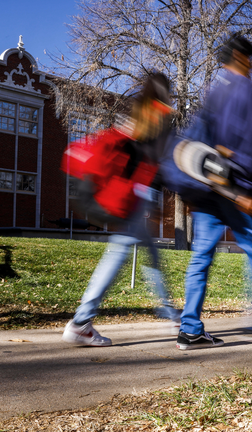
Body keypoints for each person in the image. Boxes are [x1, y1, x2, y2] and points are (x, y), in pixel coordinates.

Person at [175, 35, 252, 350]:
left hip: (205, 186)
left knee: (201, 256)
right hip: (232, 186)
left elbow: (202, 142)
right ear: (240, 56)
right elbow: (244, 143)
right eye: (251, 59)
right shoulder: (241, 88)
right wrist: (246, 191)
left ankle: (190, 329)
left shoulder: (213, 90)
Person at [62, 73, 181, 347]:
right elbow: (150, 162)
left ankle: (170, 312)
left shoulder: (138, 110)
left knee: (150, 252)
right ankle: (81, 321)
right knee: (119, 252)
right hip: (130, 197)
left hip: (130, 195)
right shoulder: (157, 115)